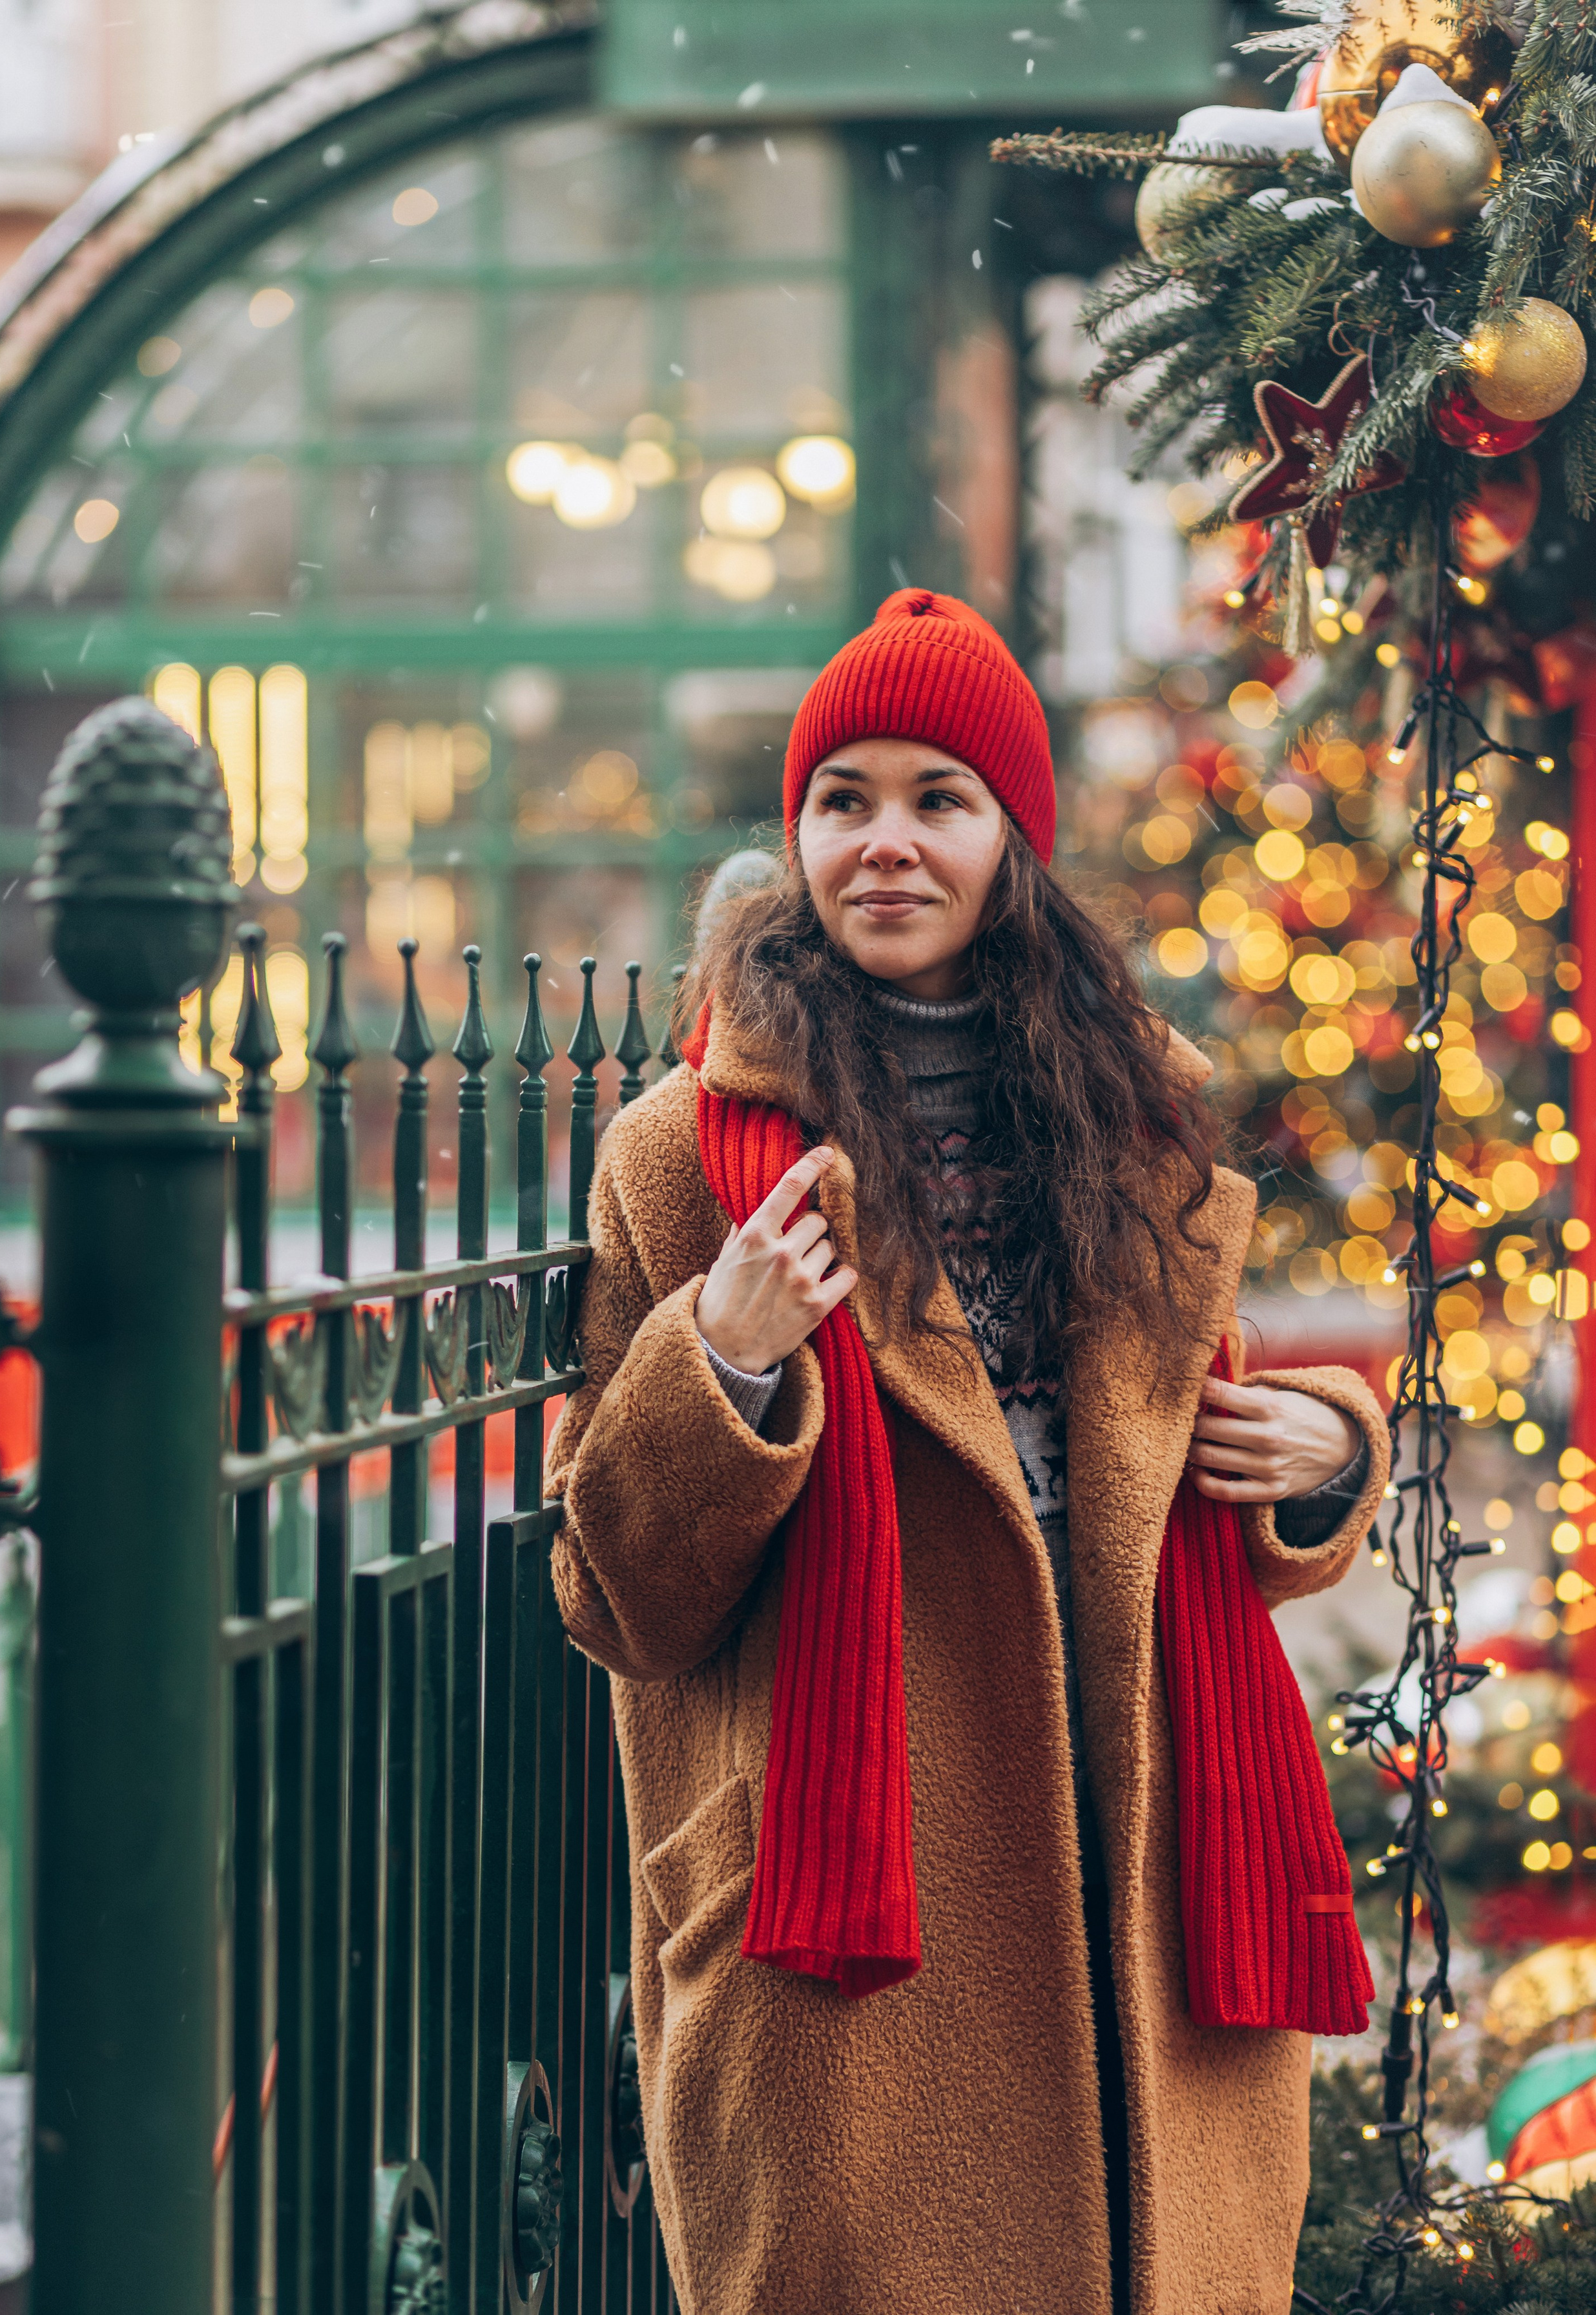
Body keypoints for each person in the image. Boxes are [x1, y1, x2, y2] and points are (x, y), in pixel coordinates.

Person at [546, 590, 1390, 2315]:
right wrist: (722, 1360)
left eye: (940, 797)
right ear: (797, 837)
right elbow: (617, 1593)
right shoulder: (677, 1157)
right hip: (867, 1933)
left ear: (1014, 837)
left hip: (1144, 1878)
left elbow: (1183, 1478)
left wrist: (1323, 1459)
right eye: (844, 798)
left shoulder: (1132, 1120)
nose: (887, 841)